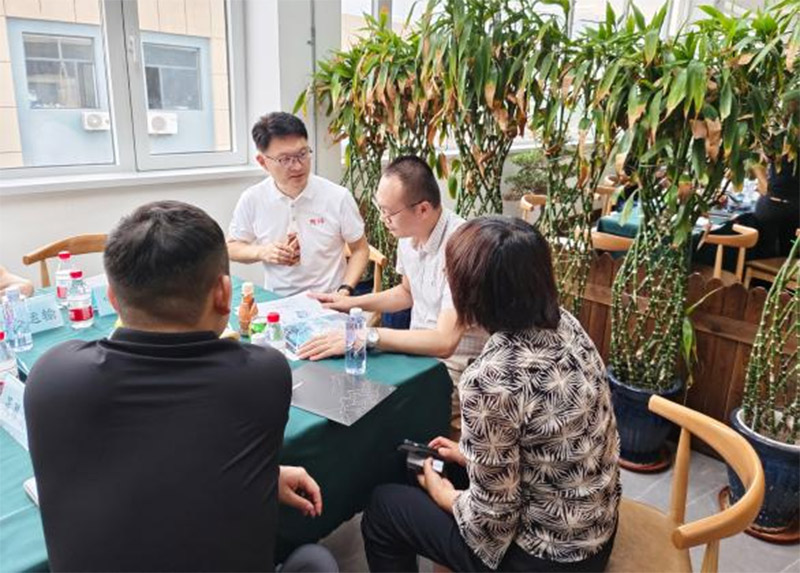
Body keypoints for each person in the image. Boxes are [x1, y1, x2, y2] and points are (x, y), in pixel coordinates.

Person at [24, 201, 337, 573]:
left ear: (112, 298)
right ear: (224, 293)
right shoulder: (263, 374)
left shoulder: (51, 377)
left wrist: (267, 476)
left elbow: (152, 449)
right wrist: (266, 475)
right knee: (315, 560)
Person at [361, 217, 621, 573]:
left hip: (545, 558)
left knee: (384, 507)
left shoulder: (490, 379)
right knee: (431, 463)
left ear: (472, 294)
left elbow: (490, 524)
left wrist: (444, 495)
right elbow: (549, 439)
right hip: (594, 527)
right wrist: (471, 456)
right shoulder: (566, 324)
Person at [298, 156, 487, 434]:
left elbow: (445, 341)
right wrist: (349, 302)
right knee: (340, 387)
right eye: (381, 209)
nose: (382, 219)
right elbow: (407, 292)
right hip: (415, 354)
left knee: (370, 412)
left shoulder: (463, 248)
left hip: (456, 368)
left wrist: (367, 335)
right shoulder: (409, 234)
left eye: (389, 212)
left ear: (423, 209)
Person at [228, 112, 369, 297]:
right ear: (263, 162)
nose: (297, 166)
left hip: (330, 300)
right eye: (285, 159)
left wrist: (345, 290)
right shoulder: (252, 199)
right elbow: (231, 248)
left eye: (302, 154)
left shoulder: (337, 197)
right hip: (277, 301)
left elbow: (360, 250)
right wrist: (262, 252)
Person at [750, 158, 799, 259]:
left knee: (791, 255)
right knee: (764, 253)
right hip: (771, 205)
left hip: (794, 209)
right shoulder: (777, 148)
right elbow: (754, 159)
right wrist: (767, 188)